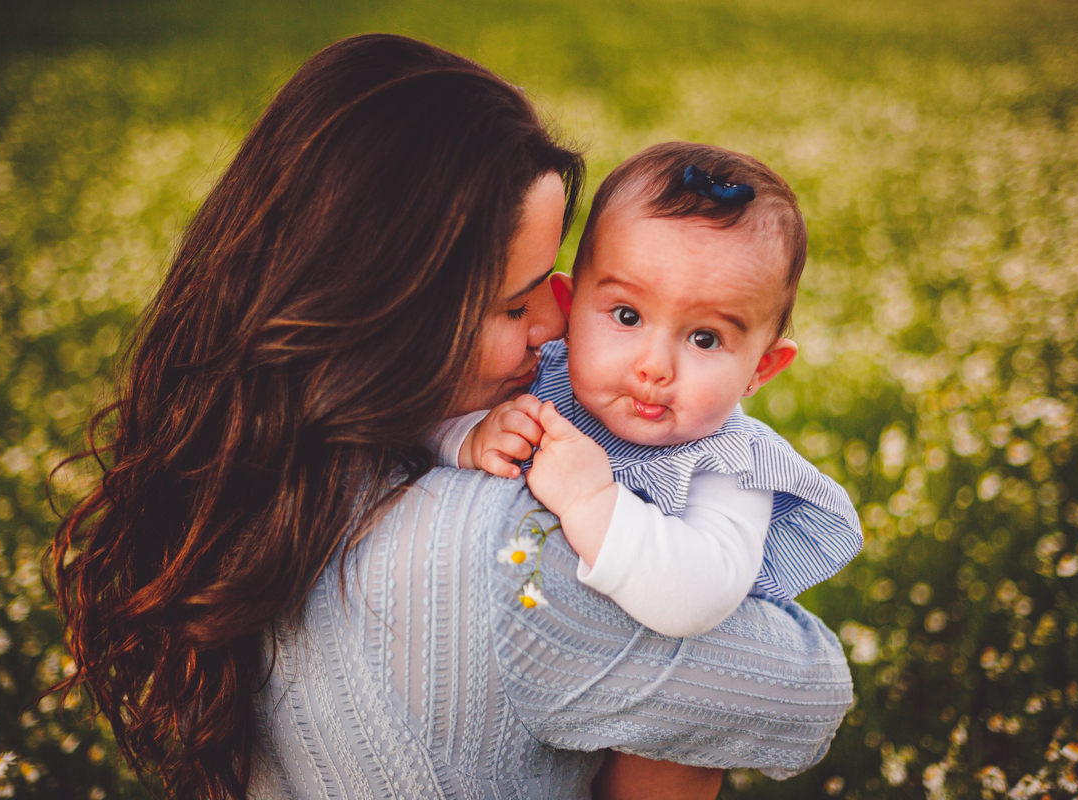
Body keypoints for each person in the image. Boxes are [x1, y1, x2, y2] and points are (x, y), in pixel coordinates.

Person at [49, 34, 853, 800]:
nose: (551, 328)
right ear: (391, 316)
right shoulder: (513, 556)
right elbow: (807, 691)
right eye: (515, 303)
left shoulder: (267, 473)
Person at [432, 142, 862, 798]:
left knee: (668, 764)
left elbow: (698, 595)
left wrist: (593, 503)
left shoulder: (728, 467)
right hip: (530, 695)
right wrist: (467, 438)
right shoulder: (539, 381)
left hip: (652, 722)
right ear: (570, 308)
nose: (655, 365)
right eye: (627, 317)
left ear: (761, 369)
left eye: (705, 338)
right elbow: (415, 433)